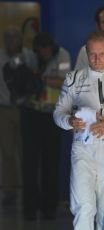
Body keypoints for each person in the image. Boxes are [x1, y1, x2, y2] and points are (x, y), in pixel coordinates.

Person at [54, 31, 104, 230]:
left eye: (102, 54)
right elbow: (58, 113)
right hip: (83, 149)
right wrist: (69, 120)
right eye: (92, 54)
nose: (97, 59)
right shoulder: (73, 79)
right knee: (83, 207)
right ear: (86, 52)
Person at [20, 32, 71, 220]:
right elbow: (19, 77)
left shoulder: (63, 55)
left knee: (51, 163)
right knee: (30, 164)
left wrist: (41, 78)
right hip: (31, 113)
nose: (44, 54)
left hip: (52, 115)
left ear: (52, 48)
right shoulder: (28, 56)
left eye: (47, 50)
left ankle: (49, 207)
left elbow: (65, 81)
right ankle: (29, 209)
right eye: (40, 51)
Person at [0, 26, 36, 207]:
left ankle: (30, 189)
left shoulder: (29, 55)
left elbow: (35, 78)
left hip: (26, 109)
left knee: (26, 151)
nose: (11, 41)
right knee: (7, 152)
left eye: (14, 37)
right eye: (7, 37)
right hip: (5, 110)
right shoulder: (0, 56)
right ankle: (9, 191)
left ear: (20, 39)